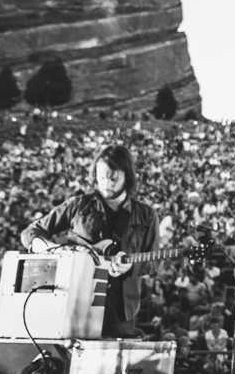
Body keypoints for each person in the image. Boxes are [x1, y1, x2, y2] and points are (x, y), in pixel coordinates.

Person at [20, 144, 155, 338]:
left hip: (121, 309)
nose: (106, 182)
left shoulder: (146, 215)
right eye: (101, 177)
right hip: (76, 300)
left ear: (127, 175)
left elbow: (153, 262)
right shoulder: (78, 205)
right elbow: (31, 232)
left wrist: (130, 267)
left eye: (113, 177)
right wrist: (50, 248)